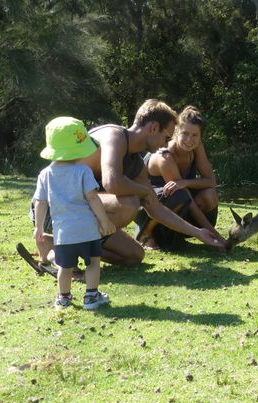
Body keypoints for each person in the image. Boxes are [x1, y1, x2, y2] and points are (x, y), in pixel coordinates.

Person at [33, 99, 223, 267]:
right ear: (154, 127)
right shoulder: (113, 136)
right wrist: (143, 191)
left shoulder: (137, 165)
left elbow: (155, 208)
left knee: (134, 255)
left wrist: (198, 232)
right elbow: (112, 182)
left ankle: (53, 245)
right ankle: (65, 252)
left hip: (83, 214)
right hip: (55, 209)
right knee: (129, 203)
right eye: (166, 137)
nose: (166, 144)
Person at [33, 117, 116, 309]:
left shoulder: (45, 174)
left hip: (64, 233)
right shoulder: (83, 171)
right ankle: (91, 297)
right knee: (93, 262)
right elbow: (93, 198)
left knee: (65, 266)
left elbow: (40, 202)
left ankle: (63, 298)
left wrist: (38, 227)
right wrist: (104, 220)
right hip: (87, 229)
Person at [135, 105, 226, 250]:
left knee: (210, 194)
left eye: (195, 135)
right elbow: (186, 198)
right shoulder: (165, 156)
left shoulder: (196, 147)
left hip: (179, 203)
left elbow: (211, 182)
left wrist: (185, 182)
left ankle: (180, 234)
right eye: (185, 133)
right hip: (147, 208)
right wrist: (215, 235)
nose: (189, 140)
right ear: (176, 131)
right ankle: (146, 234)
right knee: (179, 193)